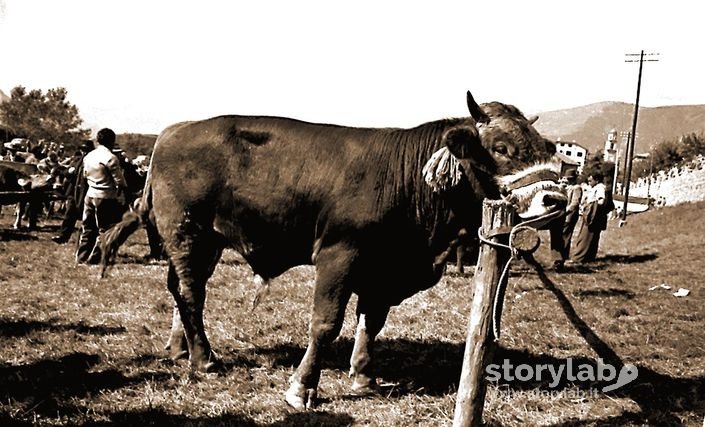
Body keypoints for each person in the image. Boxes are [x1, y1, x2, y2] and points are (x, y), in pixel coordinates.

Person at [75, 129, 128, 264]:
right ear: (112, 141)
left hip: (90, 193)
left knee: (87, 227)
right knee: (105, 229)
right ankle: (95, 257)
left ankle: (81, 256)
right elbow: (120, 181)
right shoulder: (110, 158)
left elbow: (85, 175)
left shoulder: (89, 156)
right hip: (106, 196)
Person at [51, 141, 93, 244]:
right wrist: (69, 171)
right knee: (69, 215)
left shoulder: (92, 162)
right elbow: (66, 172)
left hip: (86, 192)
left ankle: (85, 239)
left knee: (87, 217)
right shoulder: (76, 161)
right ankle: (63, 236)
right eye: (83, 150)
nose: (84, 152)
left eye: (86, 150)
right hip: (73, 192)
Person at [567, 172, 612, 264]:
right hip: (595, 216)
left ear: (597, 180)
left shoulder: (600, 188)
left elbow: (601, 201)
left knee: (585, 237)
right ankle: (589, 257)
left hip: (593, 215)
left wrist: (590, 206)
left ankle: (578, 258)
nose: (589, 182)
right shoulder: (597, 188)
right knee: (593, 238)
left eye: (591, 180)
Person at [561, 169, 583, 260]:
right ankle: (561, 256)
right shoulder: (567, 187)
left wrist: (565, 211)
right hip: (563, 215)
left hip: (569, 215)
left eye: (571, 178)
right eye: (568, 178)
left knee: (565, 235)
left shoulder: (577, 188)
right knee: (561, 235)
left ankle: (563, 256)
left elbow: (575, 203)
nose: (569, 180)